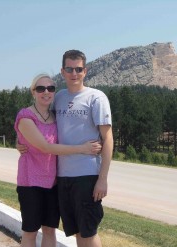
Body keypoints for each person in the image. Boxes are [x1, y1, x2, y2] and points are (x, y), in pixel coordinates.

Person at [15, 73, 102, 247]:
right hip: (30, 183)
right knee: (30, 231)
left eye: (50, 88)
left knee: (49, 230)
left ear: (54, 92)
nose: (46, 92)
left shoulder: (56, 117)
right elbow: (45, 147)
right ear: (33, 92)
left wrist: (17, 142)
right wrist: (82, 149)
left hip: (53, 183)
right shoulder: (26, 116)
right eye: (41, 88)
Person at [54, 49, 113, 247]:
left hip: (87, 176)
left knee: (88, 232)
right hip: (63, 177)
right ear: (62, 71)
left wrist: (102, 179)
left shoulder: (96, 98)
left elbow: (108, 139)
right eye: (69, 69)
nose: (74, 74)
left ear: (85, 71)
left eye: (78, 69)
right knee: (78, 232)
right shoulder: (58, 97)